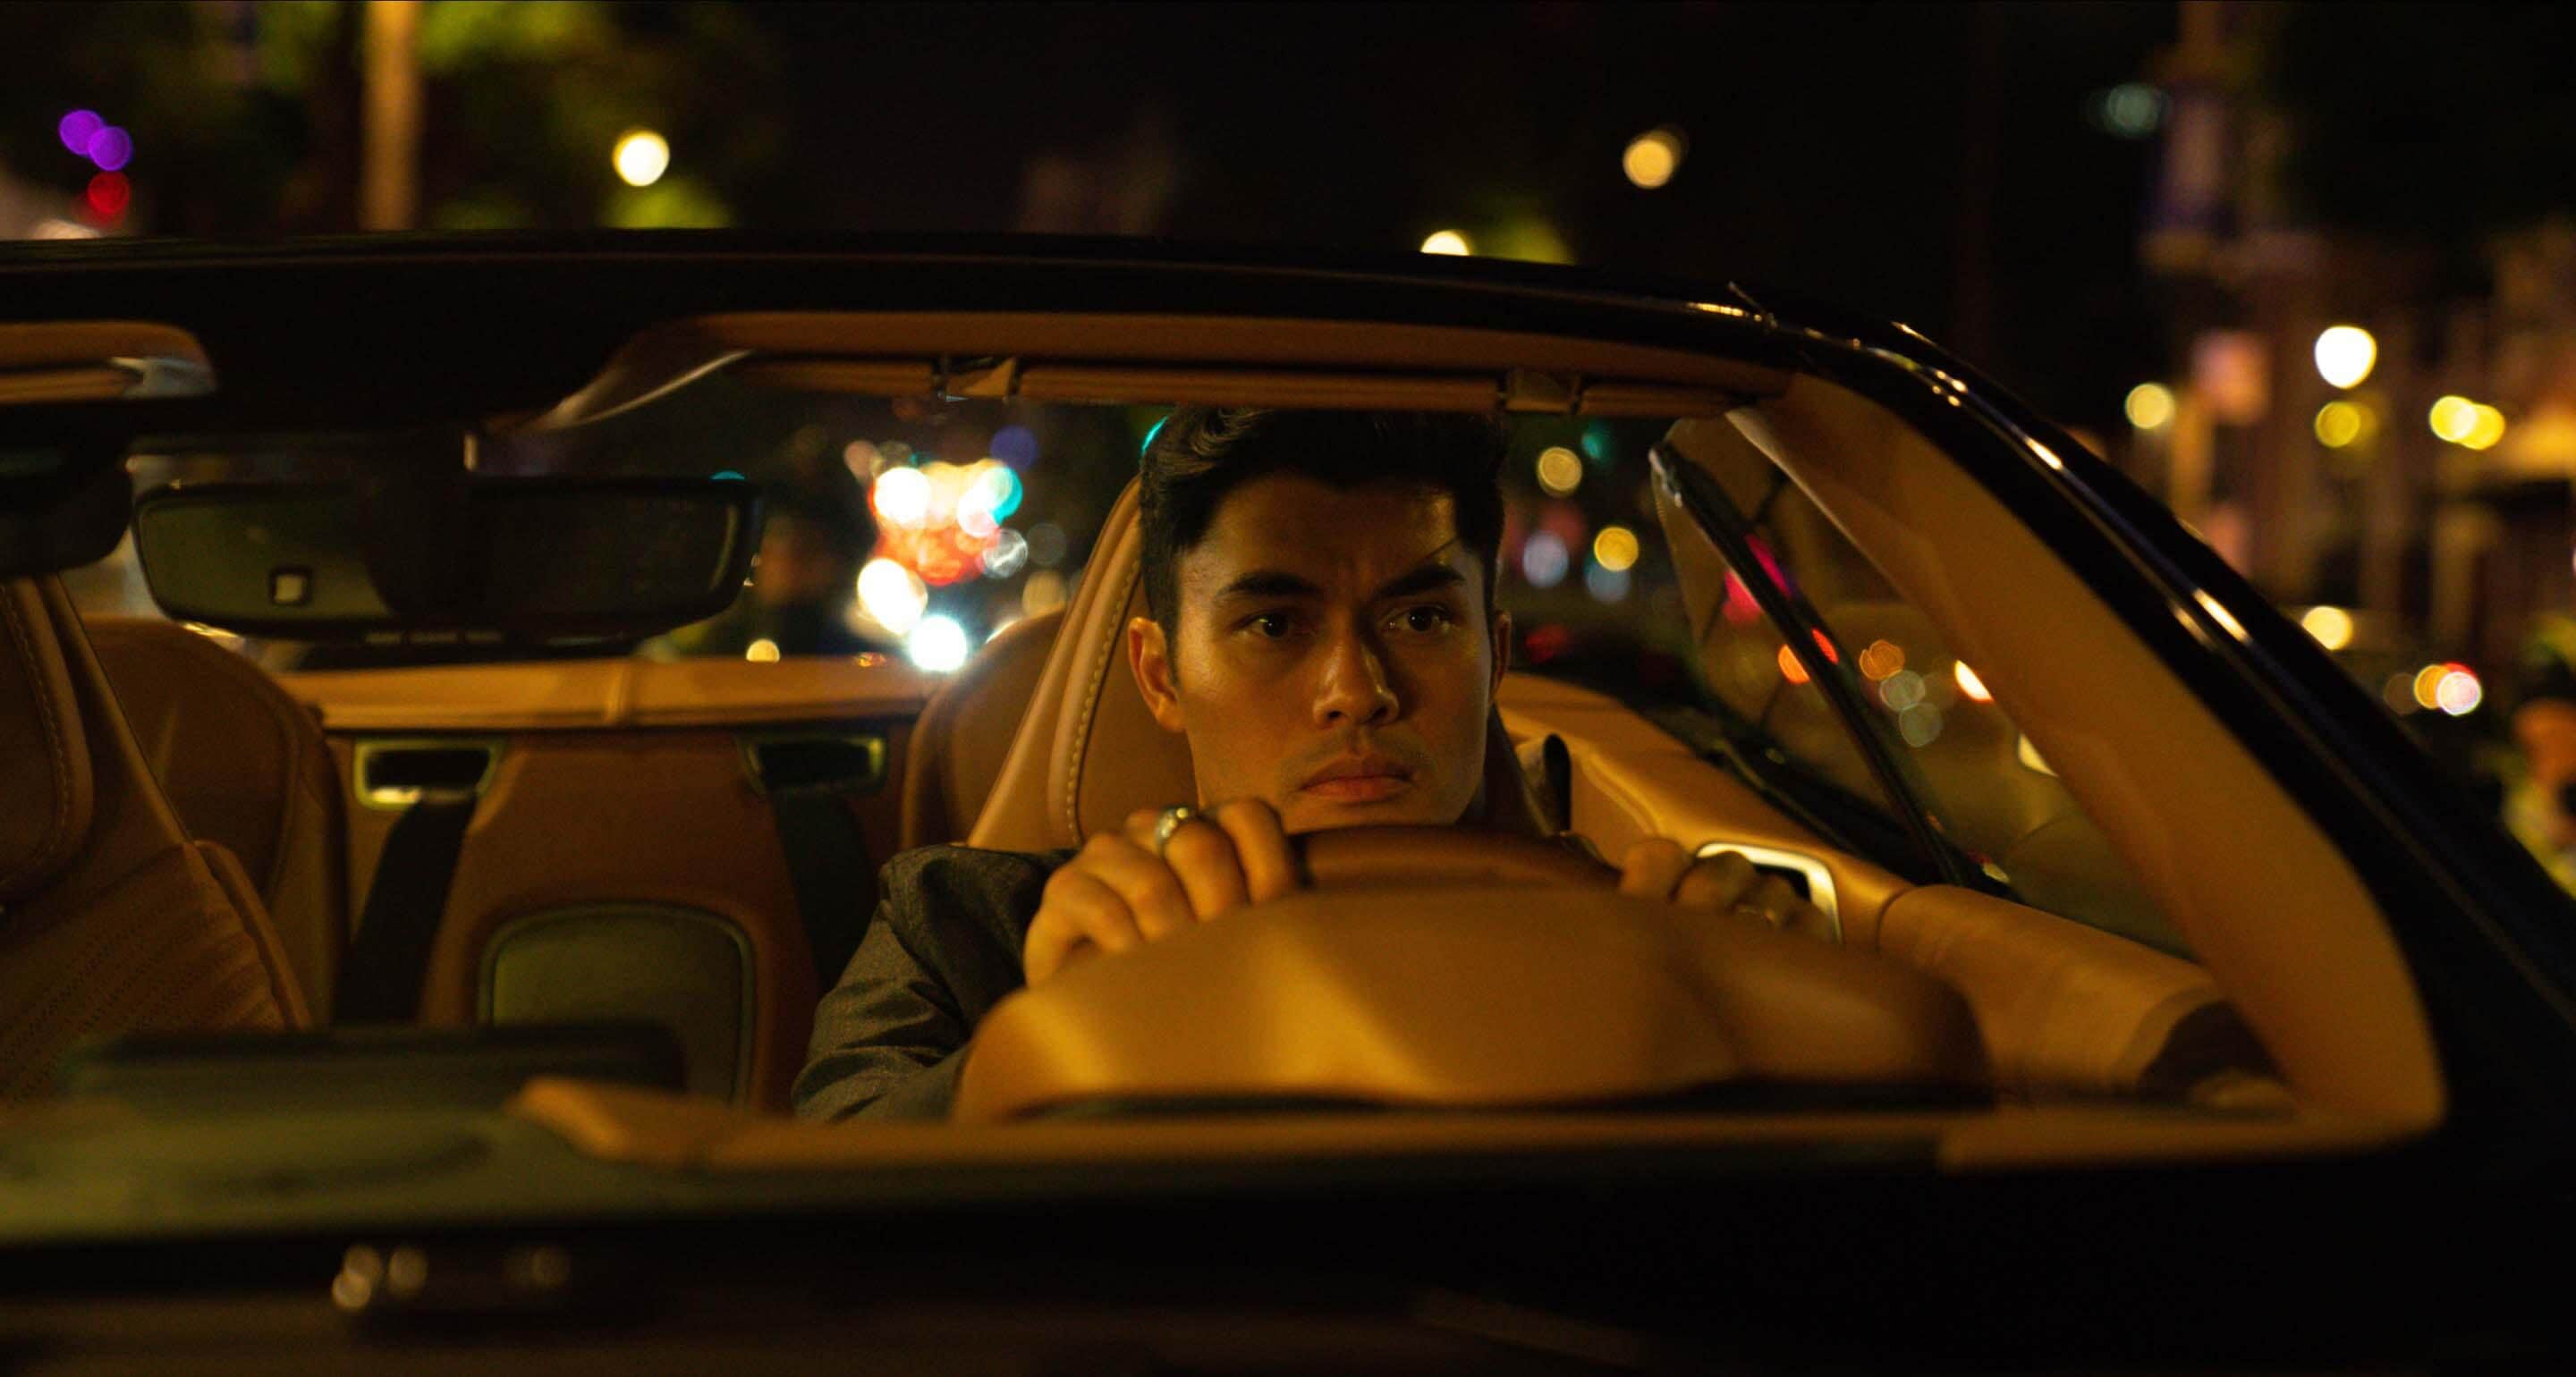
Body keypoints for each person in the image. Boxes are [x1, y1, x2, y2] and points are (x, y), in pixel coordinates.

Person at [793, 408, 1826, 1120]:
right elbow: (806, 1244)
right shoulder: (962, 928)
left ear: (1494, 657)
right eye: (1276, 623)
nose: (1356, 687)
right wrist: (1044, 1046)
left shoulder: (1651, 942)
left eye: (1421, 617)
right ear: (1160, 673)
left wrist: (1764, 1015)